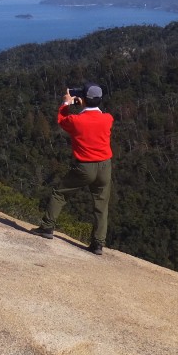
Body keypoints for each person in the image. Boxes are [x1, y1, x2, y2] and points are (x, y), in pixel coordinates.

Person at [31, 82, 114, 255]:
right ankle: (98, 244)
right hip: (105, 166)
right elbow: (94, 115)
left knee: (60, 193)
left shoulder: (77, 121)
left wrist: (67, 103)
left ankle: (47, 227)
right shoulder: (108, 119)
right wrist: (82, 102)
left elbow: (61, 119)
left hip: (85, 166)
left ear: (82, 99)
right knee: (101, 205)